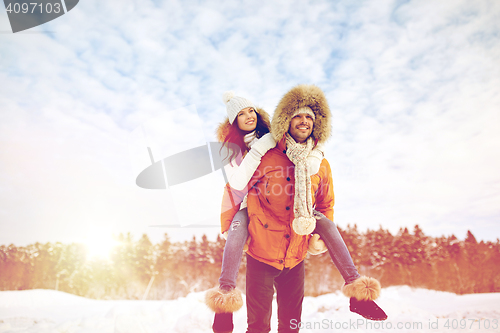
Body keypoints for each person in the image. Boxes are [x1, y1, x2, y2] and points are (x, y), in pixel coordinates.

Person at [206, 87, 386, 333]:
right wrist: (230, 227)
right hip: (262, 252)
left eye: (310, 117)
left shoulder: (320, 163)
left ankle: (357, 291)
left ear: (317, 124)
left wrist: (318, 236)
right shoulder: (264, 154)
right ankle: (224, 302)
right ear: (286, 120)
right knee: (258, 326)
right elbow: (234, 190)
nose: (304, 121)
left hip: (295, 254)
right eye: (298, 116)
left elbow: (325, 204)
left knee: (291, 326)